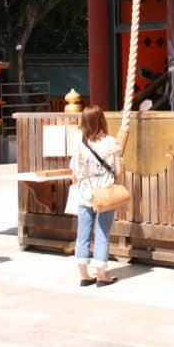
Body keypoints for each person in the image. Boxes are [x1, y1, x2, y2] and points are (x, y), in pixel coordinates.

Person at [70, 104, 123, 287]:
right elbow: (119, 170)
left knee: (83, 233)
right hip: (105, 193)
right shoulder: (111, 142)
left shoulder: (79, 142)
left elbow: (75, 173)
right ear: (102, 120)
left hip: (85, 192)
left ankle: (84, 275)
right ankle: (101, 275)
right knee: (102, 232)